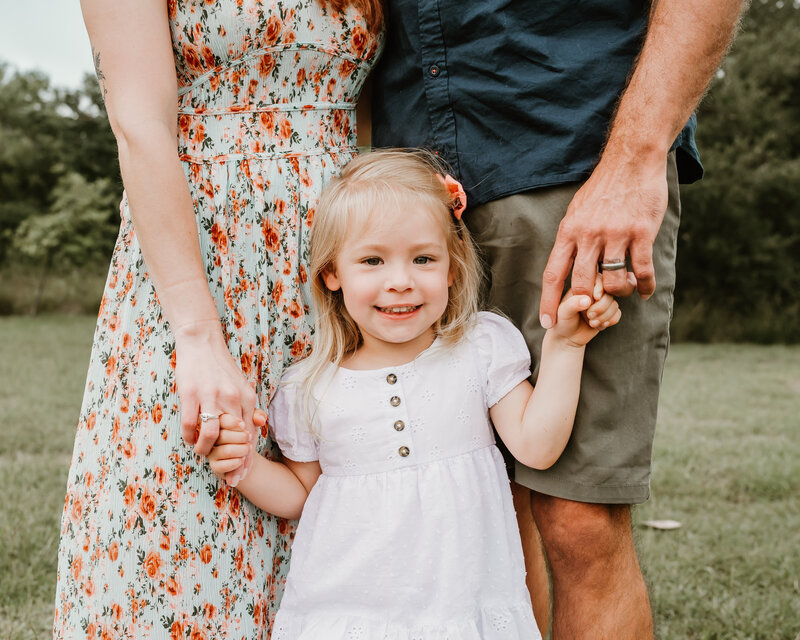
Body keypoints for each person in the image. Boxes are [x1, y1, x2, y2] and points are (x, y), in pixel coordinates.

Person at [370, 1, 746, 637]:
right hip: (406, 183)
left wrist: (634, 161)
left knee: (581, 518)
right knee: (474, 513)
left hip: (572, 157)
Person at [53, 0, 382, 637]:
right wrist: (198, 335)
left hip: (336, 260)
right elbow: (140, 125)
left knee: (338, 502)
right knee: (185, 499)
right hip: (203, 252)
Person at [205, 149, 621, 638]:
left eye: (423, 258)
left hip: (462, 601)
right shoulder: (309, 388)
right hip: (350, 605)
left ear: (451, 267)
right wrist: (247, 467)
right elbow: (301, 495)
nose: (400, 281)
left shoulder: (479, 347)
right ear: (332, 274)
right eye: (372, 260)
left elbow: (537, 446)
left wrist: (566, 345)